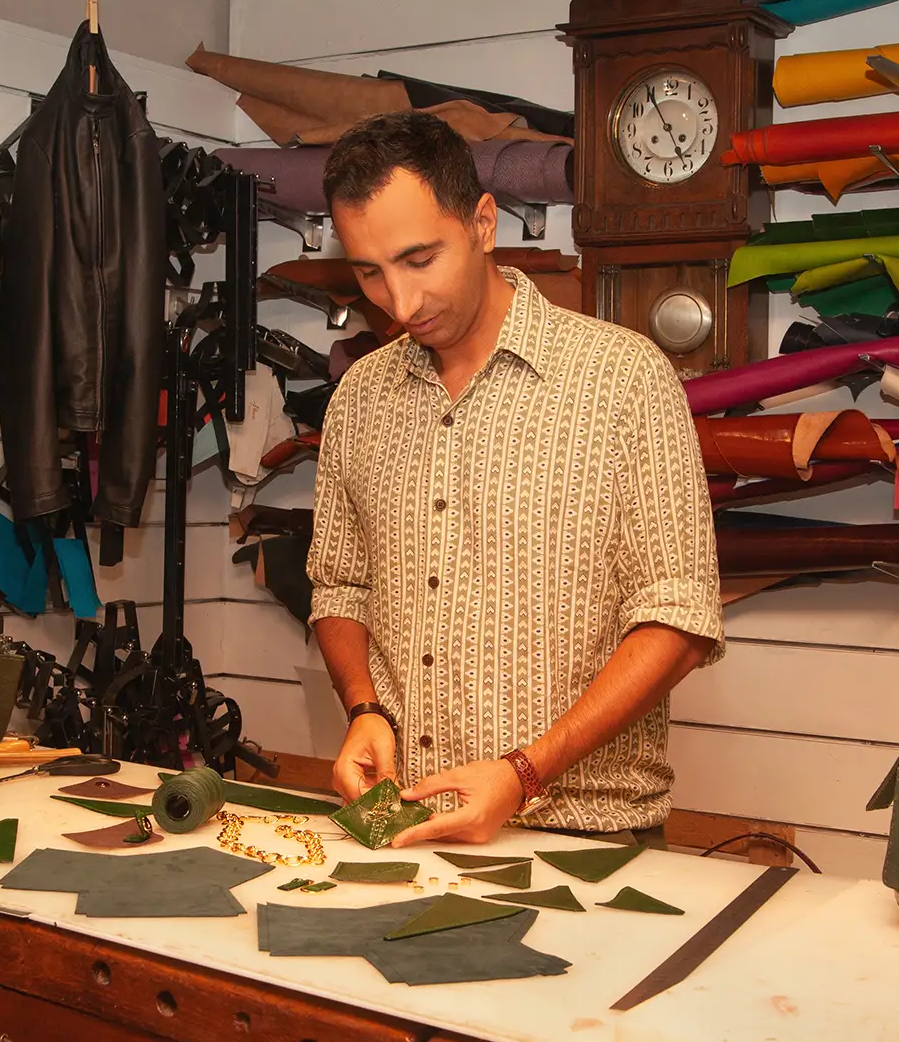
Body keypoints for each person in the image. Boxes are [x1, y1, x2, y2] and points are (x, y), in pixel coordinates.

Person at [307, 110, 723, 849]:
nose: (400, 304)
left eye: (419, 259)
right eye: (371, 271)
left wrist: (524, 772)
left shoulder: (621, 380)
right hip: (408, 829)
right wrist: (366, 708)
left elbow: (680, 620)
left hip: (584, 837)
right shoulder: (359, 397)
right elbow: (341, 586)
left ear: (484, 223)